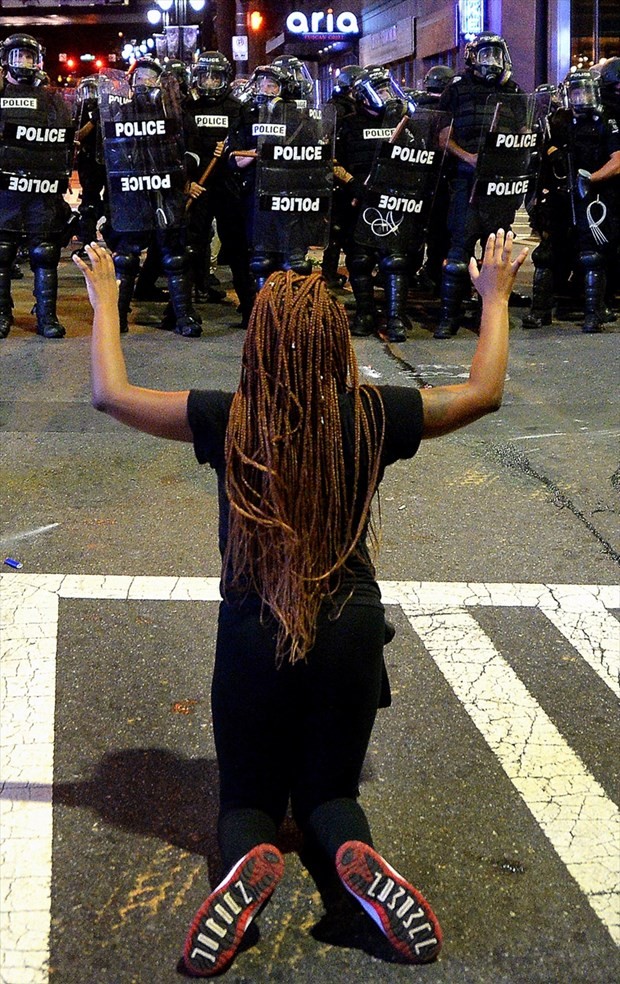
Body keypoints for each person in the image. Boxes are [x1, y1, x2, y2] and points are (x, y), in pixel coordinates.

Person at [74, 228, 528, 978]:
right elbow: (483, 393)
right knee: (327, 792)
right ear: (336, 345)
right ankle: (352, 856)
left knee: (248, 797)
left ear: (259, 344)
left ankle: (250, 852)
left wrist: (107, 301)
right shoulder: (375, 414)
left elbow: (109, 395)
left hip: (255, 628)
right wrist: (496, 297)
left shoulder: (228, 416)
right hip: (349, 630)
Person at [0, 32, 75, 338]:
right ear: (6, 60)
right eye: (18, 57)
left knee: (45, 253)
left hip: (41, 190)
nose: (23, 63)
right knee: (2, 252)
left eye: (28, 57)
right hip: (6, 189)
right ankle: (3, 314)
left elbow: (65, 143)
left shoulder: (53, 99)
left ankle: (46, 316)